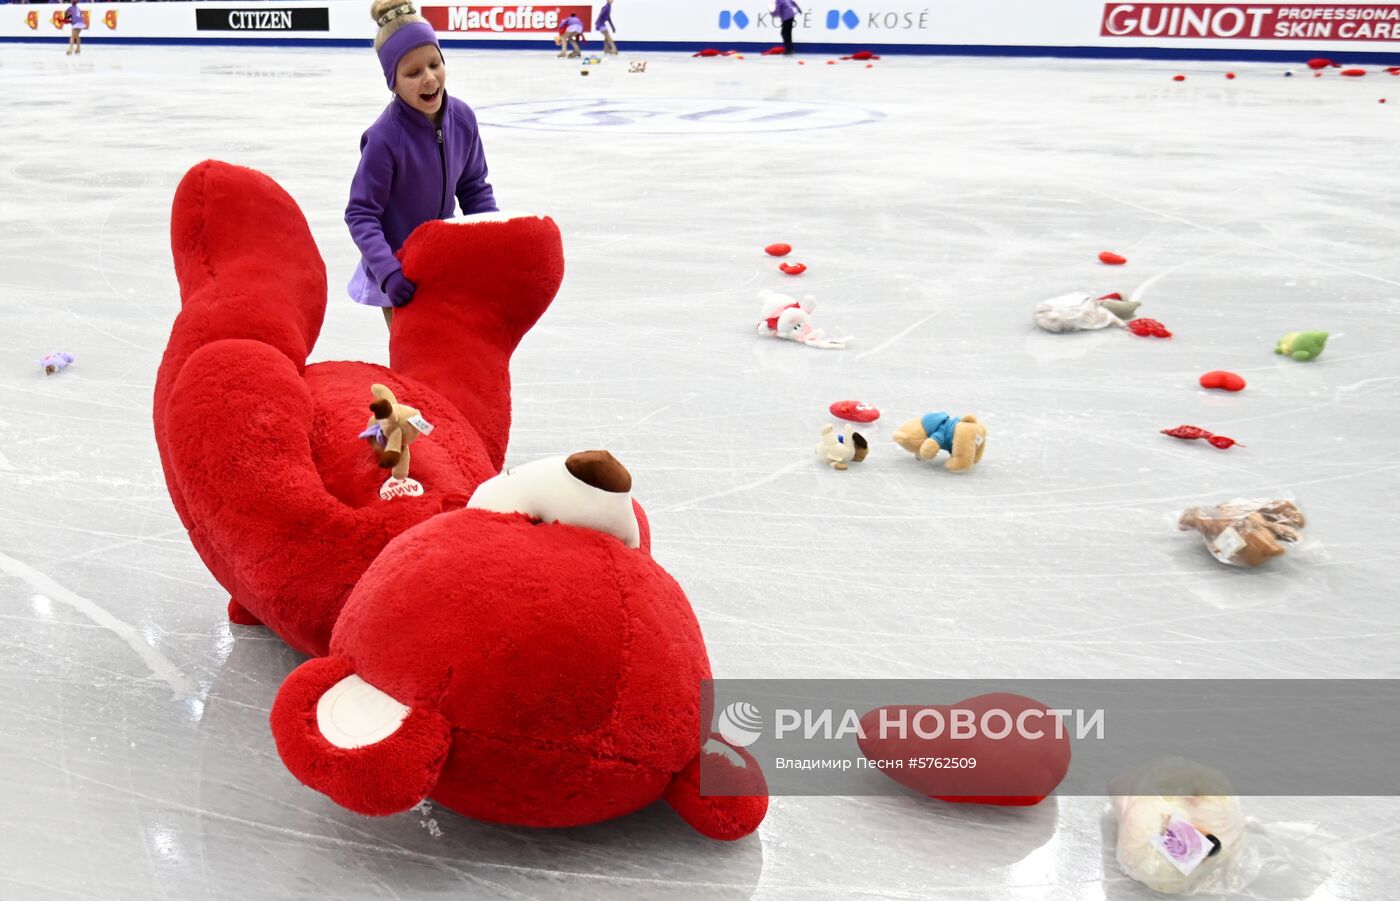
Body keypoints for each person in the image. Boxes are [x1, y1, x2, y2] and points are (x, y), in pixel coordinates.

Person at [346, 0, 497, 330]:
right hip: (400, 271)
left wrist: (494, 243)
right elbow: (361, 213)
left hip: (445, 259)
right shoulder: (384, 138)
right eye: (413, 73)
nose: (429, 78)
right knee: (415, 360)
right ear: (393, 82)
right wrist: (388, 272)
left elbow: (474, 189)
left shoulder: (462, 119)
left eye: (434, 64)